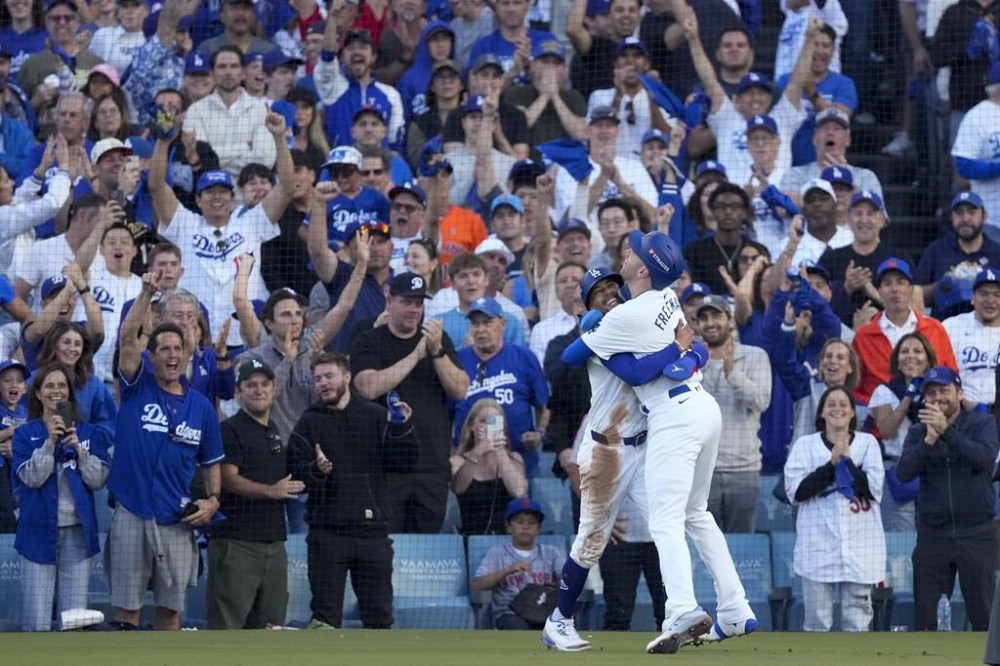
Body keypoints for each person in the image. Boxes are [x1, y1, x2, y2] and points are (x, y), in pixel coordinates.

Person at [562, 230, 756, 653]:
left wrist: (592, 332)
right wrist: (685, 354)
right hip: (704, 409)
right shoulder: (666, 299)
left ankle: (682, 610)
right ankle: (736, 609)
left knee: (665, 521)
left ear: (644, 269)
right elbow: (693, 344)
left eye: (633, 252)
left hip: (674, 416)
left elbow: (578, 359)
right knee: (696, 514)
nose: (626, 254)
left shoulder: (623, 317)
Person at [544, 265, 689, 651]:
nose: (607, 293)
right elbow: (633, 370)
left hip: (643, 446)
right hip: (606, 450)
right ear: (588, 304)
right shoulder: (598, 331)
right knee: (590, 539)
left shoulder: (634, 320)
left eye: (612, 286)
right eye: (598, 291)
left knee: (666, 525)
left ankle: (680, 613)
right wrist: (677, 346)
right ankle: (558, 622)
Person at [105, 271, 224, 631]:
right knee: (127, 611)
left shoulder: (201, 406)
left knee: (170, 613)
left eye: (179, 349)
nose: (173, 355)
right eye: (165, 350)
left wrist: (213, 499)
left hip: (176, 517)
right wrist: (146, 292)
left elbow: (212, 461)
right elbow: (127, 339)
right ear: (152, 356)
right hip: (132, 510)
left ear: (188, 355)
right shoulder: (136, 385)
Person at [287, 352, 417, 629]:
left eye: (329, 376)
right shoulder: (308, 422)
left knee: (379, 617)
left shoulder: (377, 415)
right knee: (324, 618)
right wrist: (317, 470)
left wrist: (400, 429)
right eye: (318, 378)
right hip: (327, 535)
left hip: (373, 534)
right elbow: (297, 475)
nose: (323, 383)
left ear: (346, 377)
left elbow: (404, 463)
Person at [148, 103, 294, 350]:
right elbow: (156, 186)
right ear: (198, 199)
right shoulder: (185, 223)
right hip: (194, 342)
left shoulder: (251, 222)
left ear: (232, 196)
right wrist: (163, 142)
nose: (217, 198)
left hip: (244, 340)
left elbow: (288, 188)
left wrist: (279, 137)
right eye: (209, 192)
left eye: (223, 192)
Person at [350, 271, 468, 534]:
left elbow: (460, 389)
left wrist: (436, 351)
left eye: (419, 303)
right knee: (386, 544)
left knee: (425, 549)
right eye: (407, 302)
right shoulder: (369, 339)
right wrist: (416, 356)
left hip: (431, 465)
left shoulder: (437, 340)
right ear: (389, 300)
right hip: (383, 465)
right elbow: (368, 387)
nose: (414, 309)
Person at [896, 366, 999, 632]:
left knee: (984, 618)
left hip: (977, 533)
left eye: (944, 391)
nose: (938, 397)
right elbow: (904, 473)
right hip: (933, 536)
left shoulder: (982, 423)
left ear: (960, 393)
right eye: (931, 393)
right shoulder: (919, 433)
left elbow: (985, 459)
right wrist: (930, 439)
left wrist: (947, 433)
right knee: (926, 620)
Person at [207, 360, 305, 630]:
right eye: (251, 385)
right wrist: (271, 491)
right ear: (238, 393)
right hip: (237, 543)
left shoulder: (274, 431)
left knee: (272, 629)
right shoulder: (230, 429)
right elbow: (228, 478)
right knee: (228, 628)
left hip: (274, 544)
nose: (259, 390)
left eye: (264, 385)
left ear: (274, 390)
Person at [12, 362, 110, 631]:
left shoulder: (88, 433)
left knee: (73, 622)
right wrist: (50, 443)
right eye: (50, 386)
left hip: (77, 535)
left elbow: (99, 480)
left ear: (69, 394)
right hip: (36, 534)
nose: (56, 391)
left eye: (62, 386)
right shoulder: (23, 434)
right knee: (37, 622)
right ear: (38, 394)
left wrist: (79, 448)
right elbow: (32, 478)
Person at [783, 386, 885, 632]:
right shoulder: (805, 445)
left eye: (843, 404)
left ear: (852, 413)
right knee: (817, 622)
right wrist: (831, 464)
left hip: (861, 546)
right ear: (822, 413)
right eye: (831, 404)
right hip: (817, 546)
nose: (837, 408)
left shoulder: (868, 443)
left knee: (857, 622)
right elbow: (797, 492)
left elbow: (872, 490)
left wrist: (847, 461)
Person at [696, 294, 771, 533]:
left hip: (743, 471)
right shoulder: (690, 361)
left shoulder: (755, 355)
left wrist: (732, 373)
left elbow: (762, 401)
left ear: (730, 320)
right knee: (704, 550)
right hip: (702, 473)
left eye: (716, 315)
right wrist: (699, 373)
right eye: (704, 318)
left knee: (740, 550)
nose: (710, 323)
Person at [453, 297, 549, 474]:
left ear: (502, 324)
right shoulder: (458, 360)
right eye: (475, 324)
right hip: (470, 465)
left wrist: (540, 433)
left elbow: (545, 406)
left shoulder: (524, 357)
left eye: (487, 322)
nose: (481, 330)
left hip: (519, 461)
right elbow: (445, 412)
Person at [852, 258, 958, 405]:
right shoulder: (863, 336)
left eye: (900, 282)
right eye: (887, 283)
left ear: (911, 289)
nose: (894, 289)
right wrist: (876, 407)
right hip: (879, 419)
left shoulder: (935, 328)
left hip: (930, 412)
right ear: (879, 291)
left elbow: (952, 374)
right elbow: (855, 386)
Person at [868, 332, 936, 532]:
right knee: (900, 538)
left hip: (932, 470)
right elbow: (887, 430)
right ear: (897, 361)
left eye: (917, 351)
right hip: (898, 470)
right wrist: (909, 396)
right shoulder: (884, 391)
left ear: (928, 360)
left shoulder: (938, 390)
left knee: (934, 536)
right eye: (904, 351)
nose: (911, 356)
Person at [182, 45, 277, 181]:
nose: (228, 72)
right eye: (222, 67)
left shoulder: (260, 109)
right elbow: (200, 159)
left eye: (234, 66)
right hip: (212, 193)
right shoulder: (195, 110)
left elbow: (265, 160)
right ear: (213, 73)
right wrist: (245, 148)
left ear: (243, 72)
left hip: (252, 195)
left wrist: (216, 154)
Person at [470, 497, 564, 630]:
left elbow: (570, 582)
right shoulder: (497, 552)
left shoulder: (551, 553)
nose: (525, 527)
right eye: (519, 522)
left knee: (555, 628)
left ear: (538, 528)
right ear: (509, 527)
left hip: (544, 610)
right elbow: (476, 585)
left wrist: (554, 586)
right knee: (518, 627)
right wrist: (508, 570)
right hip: (509, 613)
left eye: (531, 523)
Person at [915, 192, 1000, 322]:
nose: (965, 219)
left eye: (971, 212)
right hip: (943, 329)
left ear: (985, 216)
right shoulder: (937, 250)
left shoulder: (997, 252)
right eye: (959, 213)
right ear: (952, 217)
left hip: (989, 331)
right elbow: (915, 294)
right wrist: (942, 286)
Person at [450, 398, 527, 535]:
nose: (488, 426)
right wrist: (478, 451)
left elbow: (519, 492)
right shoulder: (458, 461)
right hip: (471, 536)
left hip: (507, 539)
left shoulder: (514, 459)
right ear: (472, 427)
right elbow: (458, 488)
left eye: (494, 422)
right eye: (483, 421)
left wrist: (499, 450)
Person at [34, 321, 118, 436]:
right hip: (36, 449)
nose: (72, 348)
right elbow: (19, 417)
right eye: (66, 342)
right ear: (54, 345)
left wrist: (82, 443)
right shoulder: (33, 380)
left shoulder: (94, 385)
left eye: (77, 344)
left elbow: (108, 427)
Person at [943, 269, 1000, 411]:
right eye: (983, 294)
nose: (990, 301)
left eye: (997, 295)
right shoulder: (951, 327)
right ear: (973, 297)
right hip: (964, 414)